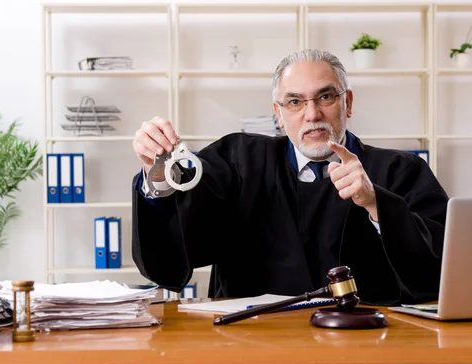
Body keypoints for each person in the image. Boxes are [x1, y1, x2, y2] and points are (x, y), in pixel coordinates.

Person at [131, 49, 449, 305]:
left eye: (325, 97)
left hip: (370, 348)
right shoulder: (238, 161)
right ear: (279, 115)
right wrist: (158, 176)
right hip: (252, 346)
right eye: (295, 102)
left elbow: (442, 273)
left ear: (347, 103)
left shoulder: (400, 171)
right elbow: (175, 255)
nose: (312, 114)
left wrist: (378, 204)